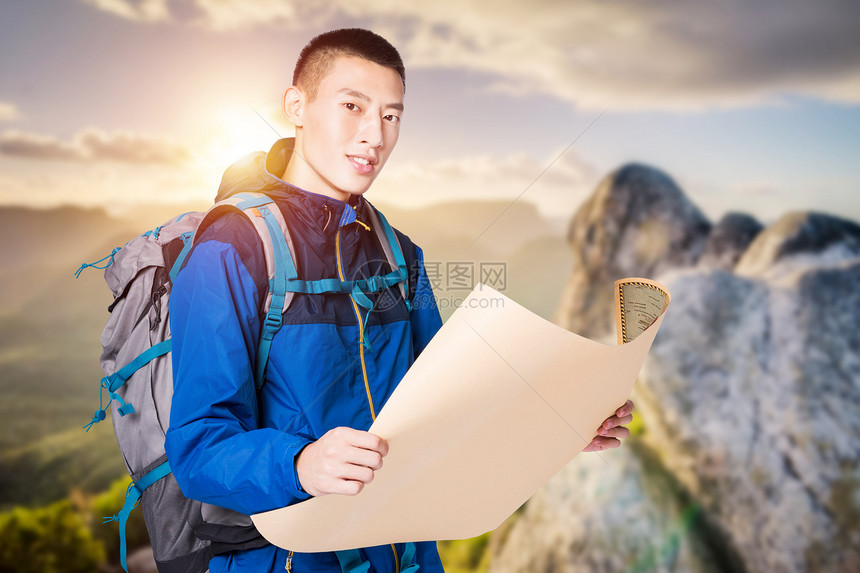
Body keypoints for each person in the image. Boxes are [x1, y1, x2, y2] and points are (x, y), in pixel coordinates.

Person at [165, 28, 635, 573]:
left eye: (391, 116)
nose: (374, 135)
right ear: (297, 105)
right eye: (352, 106)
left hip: (405, 553)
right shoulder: (234, 247)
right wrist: (298, 464)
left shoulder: (396, 254)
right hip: (286, 557)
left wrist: (558, 425)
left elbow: (447, 406)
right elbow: (199, 444)